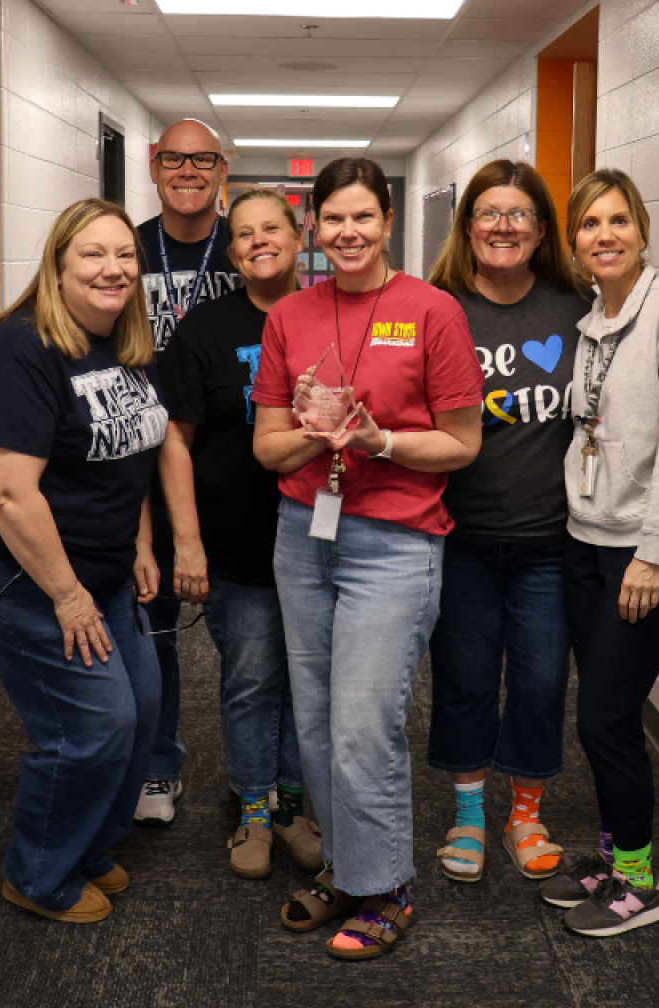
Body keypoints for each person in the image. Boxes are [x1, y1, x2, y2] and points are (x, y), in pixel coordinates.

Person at [251, 157, 484, 959]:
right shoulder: (290, 317)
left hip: (395, 541)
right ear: (313, 227)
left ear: (387, 223)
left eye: (363, 218)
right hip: (303, 536)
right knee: (314, 720)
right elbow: (267, 447)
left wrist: (378, 439)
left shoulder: (433, 311)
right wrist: (313, 434)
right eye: (333, 219)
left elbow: (462, 443)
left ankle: (386, 889)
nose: (347, 233)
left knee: (362, 726)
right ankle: (347, 867)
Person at [0, 197, 166, 924]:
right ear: (58, 267)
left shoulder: (123, 342)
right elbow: (6, 493)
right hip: (26, 575)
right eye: (93, 255)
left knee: (145, 711)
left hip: (102, 570)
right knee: (90, 727)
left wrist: (137, 545)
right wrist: (68, 596)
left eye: (125, 255)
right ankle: (37, 874)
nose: (113, 269)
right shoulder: (18, 351)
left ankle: (88, 846)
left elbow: (130, 449)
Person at [541, 169, 659, 937]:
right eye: (590, 225)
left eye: (618, 220)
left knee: (606, 717)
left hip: (647, 547)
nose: (605, 235)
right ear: (576, 244)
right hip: (588, 540)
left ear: (642, 230)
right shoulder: (595, 320)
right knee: (603, 712)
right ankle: (618, 854)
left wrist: (652, 553)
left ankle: (640, 883)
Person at [422, 161, 591, 886]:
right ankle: (467, 815)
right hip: (457, 535)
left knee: (541, 679)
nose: (502, 226)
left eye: (518, 214)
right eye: (489, 213)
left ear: (542, 229)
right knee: (461, 678)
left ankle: (525, 812)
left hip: (549, 541)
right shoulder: (438, 308)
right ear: (467, 228)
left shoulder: (577, 309)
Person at [158, 188, 318, 879]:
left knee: (309, 681)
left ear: (297, 237)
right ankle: (253, 807)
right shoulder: (203, 329)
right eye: (244, 233)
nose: (259, 241)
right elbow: (174, 440)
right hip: (237, 538)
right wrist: (186, 543)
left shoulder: (330, 315)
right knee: (253, 678)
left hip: (322, 539)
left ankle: (291, 804)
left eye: (271, 228)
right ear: (233, 251)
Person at [131, 117, 244, 826]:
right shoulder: (128, 247)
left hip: (232, 462)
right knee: (154, 623)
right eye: (175, 158)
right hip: (142, 460)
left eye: (203, 160)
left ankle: (254, 777)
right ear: (152, 163)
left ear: (221, 170)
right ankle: (157, 767)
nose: (188, 170)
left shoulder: (248, 245)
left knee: (246, 631)